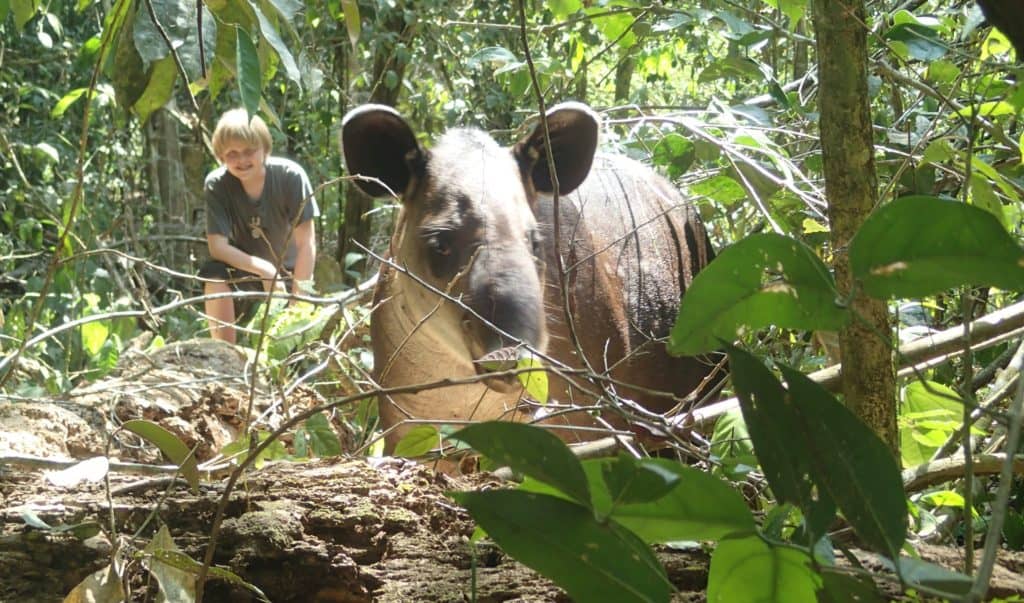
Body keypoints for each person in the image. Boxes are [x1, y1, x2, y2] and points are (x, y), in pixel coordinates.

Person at [198, 108, 318, 344]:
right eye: (232, 153)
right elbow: (217, 247)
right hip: (248, 271)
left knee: (294, 338)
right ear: (221, 156)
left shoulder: (290, 177)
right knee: (213, 274)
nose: (242, 160)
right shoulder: (217, 185)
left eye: (249, 151)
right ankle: (224, 352)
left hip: (292, 271)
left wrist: (298, 300)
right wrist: (264, 269)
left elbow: (307, 244)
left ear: (264, 149)